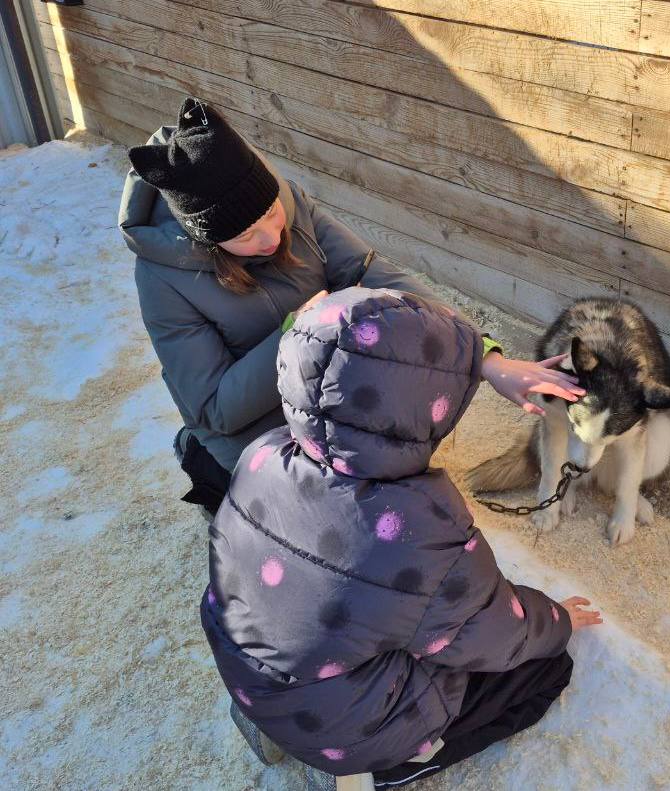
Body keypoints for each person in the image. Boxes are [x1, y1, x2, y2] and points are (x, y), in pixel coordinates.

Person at [201, 286, 602, 788]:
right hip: (342, 728)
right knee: (544, 672)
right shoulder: (417, 527)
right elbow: (492, 635)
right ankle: (396, 764)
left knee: (383, 614)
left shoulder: (262, 454)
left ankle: (282, 730)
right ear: (420, 410)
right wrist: (556, 619)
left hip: (252, 681)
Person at [119, 97, 584, 515]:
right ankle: (203, 465)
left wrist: (487, 356)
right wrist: (294, 333)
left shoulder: (285, 199)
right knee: (324, 532)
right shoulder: (165, 280)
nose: (271, 236)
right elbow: (216, 409)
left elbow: (375, 275)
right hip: (253, 429)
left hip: (325, 386)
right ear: (208, 242)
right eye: (245, 236)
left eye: (270, 214)